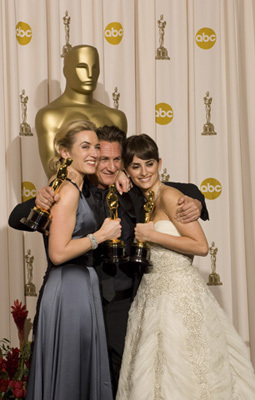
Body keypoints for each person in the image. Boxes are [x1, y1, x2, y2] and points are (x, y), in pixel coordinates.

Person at [9, 126, 209, 396]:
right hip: (83, 302)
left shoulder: (133, 191)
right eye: (104, 158)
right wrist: (40, 199)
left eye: (118, 161)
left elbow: (181, 189)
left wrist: (197, 201)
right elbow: (15, 218)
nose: (111, 166)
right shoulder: (76, 191)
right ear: (92, 159)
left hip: (128, 306)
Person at [116, 134, 255, 400]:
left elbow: (200, 246)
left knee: (186, 367)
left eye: (149, 164)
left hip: (179, 294)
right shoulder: (141, 200)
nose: (144, 172)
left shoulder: (172, 196)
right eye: (135, 166)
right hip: (151, 294)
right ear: (126, 170)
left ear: (159, 163)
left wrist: (153, 235)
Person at [25, 119, 123, 400]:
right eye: (85, 146)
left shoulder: (75, 188)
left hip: (79, 285)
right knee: (70, 370)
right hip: (69, 287)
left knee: (78, 368)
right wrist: (100, 236)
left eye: (95, 146)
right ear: (65, 152)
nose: (93, 152)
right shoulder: (67, 191)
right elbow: (57, 253)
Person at [35, 44, 127, 177]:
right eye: (82, 67)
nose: (90, 74)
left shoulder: (116, 117)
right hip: (70, 193)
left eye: (94, 68)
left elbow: (120, 168)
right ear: (66, 71)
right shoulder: (50, 116)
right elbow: (53, 171)